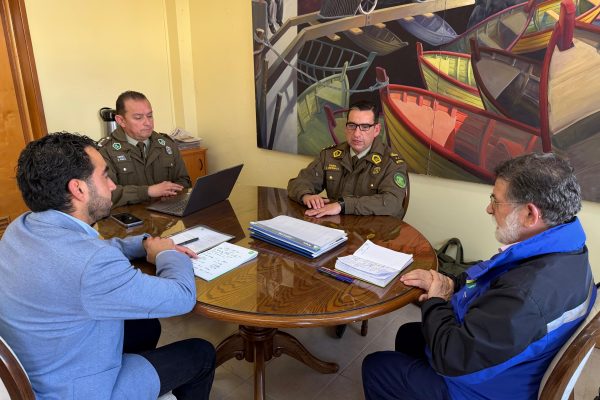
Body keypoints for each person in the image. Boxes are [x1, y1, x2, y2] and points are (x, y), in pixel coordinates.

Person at [362, 152, 596, 400]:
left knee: (376, 367)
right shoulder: (566, 248)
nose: (489, 209)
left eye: (496, 201)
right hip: (511, 363)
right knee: (409, 335)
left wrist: (436, 300)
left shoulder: (525, 293)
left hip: (486, 388)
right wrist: (452, 283)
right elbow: (490, 276)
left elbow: (450, 357)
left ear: (530, 214)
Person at [0, 132, 215, 400]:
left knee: (146, 326)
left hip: (41, 367)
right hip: (77, 392)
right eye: (105, 176)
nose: (112, 185)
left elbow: (84, 252)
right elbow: (182, 298)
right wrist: (167, 253)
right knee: (201, 353)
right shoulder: (92, 263)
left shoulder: (20, 228)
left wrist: (145, 244)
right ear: (78, 189)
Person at [287, 99, 408, 218]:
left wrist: (343, 205)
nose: (356, 134)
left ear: (376, 130)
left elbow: (392, 203)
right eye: (352, 125)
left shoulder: (392, 163)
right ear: (346, 127)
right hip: (336, 225)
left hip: (375, 228)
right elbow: (297, 183)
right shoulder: (330, 155)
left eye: (365, 127)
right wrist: (306, 195)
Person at [98, 91, 191, 208]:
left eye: (150, 116)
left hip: (168, 213)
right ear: (121, 121)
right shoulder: (105, 151)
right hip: (130, 216)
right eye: (138, 117)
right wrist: (148, 191)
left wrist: (171, 191)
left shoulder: (166, 144)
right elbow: (106, 194)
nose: (147, 123)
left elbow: (184, 181)